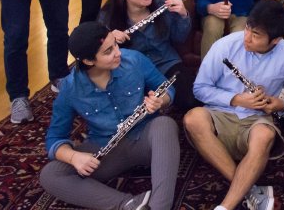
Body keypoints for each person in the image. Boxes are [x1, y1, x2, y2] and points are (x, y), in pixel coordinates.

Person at [39, 22, 179, 210]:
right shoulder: (70, 88)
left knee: (165, 124)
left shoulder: (134, 60)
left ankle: (159, 207)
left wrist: (160, 101)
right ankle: (128, 205)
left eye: (115, 45)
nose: (118, 53)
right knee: (50, 175)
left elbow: (167, 88)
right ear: (89, 61)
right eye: (108, 51)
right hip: (106, 149)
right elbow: (55, 137)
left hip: (145, 138)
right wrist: (73, 157)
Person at [184, 0, 284, 210]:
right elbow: (200, 88)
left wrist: (280, 104)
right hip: (220, 114)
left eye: (256, 35)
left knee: (265, 135)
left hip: (256, 119)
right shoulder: (225, 45)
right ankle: (248, 189)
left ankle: (225, 206)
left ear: (276, 40)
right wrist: (235, 99)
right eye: (248, 28)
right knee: (192, 119)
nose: (247, 38)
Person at [100, 0, 197, 110]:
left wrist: (182, 15)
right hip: (133, 71)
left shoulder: (160, 4)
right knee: (128, 106)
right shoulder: (107, 17)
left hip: (167, 63)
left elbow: (179, 38)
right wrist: (110, 40)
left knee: (190, 99)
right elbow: (97, 58)